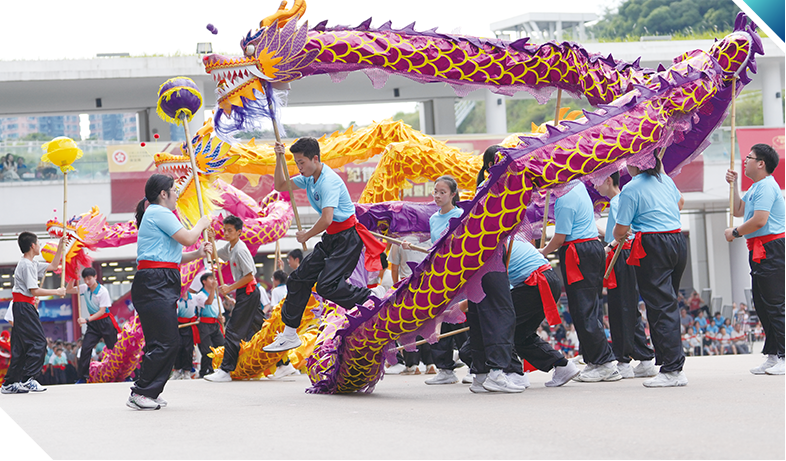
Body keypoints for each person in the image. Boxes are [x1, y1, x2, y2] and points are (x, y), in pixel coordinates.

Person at [264, 137, 385, 353]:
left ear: (315, 159)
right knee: (298, 279)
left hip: (347, 238)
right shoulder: (309, 178)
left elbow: (327, 218)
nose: (299, 167)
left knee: (326, 286)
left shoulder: (328, 181)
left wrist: (307, 235)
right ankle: (290, 335)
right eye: (296, 163)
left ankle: (372, 297)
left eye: (301, 162)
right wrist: (278, 158)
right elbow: (280, 185)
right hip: (331, 238)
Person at [127, 173, 212, 410]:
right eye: (173, 190)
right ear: (163, 194)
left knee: (165, 340)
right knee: (165, 341)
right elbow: (187, 238)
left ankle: (150, 391)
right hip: (154, 282)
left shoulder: (159, 214)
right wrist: (201, 224)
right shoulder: (159, 212)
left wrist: (197, 254)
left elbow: (173, 257)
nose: (176, 194)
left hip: (160, 279)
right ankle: (141, 392)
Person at [613, 151, 688, 387]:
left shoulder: (631, 188)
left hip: (653, 245)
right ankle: (668, 362)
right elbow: (680, 202)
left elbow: (620, 230)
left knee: (661, 307)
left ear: (634, 165)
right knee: (666, 305)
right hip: (677, 240)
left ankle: (673, 369)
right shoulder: (665, 180)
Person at [541, 180, 620, 383]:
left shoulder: (564, 199)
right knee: (589, 308)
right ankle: (594, 359)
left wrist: (542, 252)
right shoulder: (578, 185)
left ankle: (603, 363)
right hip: (590, 248)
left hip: (579, 251)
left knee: (583, 309)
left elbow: (560, 237)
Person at [726, 143, 784, 375]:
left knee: (775, 303)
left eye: (749, 157)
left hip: (771, 247)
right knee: (762, 303)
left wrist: (736, 232)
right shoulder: (755, 188)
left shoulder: (767, 186)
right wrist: (733, 186)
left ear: (761, 163)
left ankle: (784, 354)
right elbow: (738, 209)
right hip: (759, 248)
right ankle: (773, 354)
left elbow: (759, 220)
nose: (745, 160)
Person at [596, 171, 657, 379]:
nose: (596, 187)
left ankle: (622, 359)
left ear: (608, 180)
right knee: (628, 308)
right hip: (624, 254)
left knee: (620, 308)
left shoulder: (618, 201)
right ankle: (644, 357)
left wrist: (609, 246)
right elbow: (615, 230)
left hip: (621, 255)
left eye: (598, 182)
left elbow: (624, 232)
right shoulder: (619, 200)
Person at [507, 239, 581, 387]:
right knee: (521, 334)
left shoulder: (496, 241)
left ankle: (513, 372)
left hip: (534, 283)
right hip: (546, 280)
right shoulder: (510, 236)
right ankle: (562, 365)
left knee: (502, 326)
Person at [1, 232, 66, 394]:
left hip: (23, 307)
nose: (40, 245)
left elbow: (53, 266)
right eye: (38, 243)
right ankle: (28, 379)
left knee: (20, 347)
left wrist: (60, 247)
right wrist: (57, 291)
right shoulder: (27, 265)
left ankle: (9, 383)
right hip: (24, 307)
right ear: (32, 246)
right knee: (39, 342)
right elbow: (34, 290)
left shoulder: (30, 263)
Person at [205, 215, 261, 382]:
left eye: (230, 230)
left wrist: (229, 288)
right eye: (225, 230)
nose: (227, 233)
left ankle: (226, 370)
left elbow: (250, 276)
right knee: (261, 328)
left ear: (239, 232)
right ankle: (283, 363)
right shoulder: (230, 247)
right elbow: (216, 255)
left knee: (233, 330)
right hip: (246, 293)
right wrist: (211, 239)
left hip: (249, 292)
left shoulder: (241, 250)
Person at [66, 267, 119, 384]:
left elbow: (101, 311)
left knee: (114, 349)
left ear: (95, 277)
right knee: (85, 348)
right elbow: (68, 290)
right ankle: (82, 377)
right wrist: (73, 278)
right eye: (85, 279)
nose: (87, 281)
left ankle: (122, 374)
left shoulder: (102, 291)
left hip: (105, 322)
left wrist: (86, 319)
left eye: (89, 278)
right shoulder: (84, 288)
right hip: (93, 325)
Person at [193, 272, 224, 378]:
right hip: (205, 325)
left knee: (221, 346)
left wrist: (221, 318)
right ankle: (204, 372)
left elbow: (220, 313)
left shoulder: (217, 296)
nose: (213, 281)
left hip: (215, 325)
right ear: (204, 281)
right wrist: (214, 289)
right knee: (207, 350)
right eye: (211, 279)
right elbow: (209, 302)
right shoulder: (200, 295)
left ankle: (217, 369)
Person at [173, 293, 198, 380]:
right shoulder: (176, 298)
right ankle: (177, 370)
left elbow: (203, 306)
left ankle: (187, 371)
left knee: (188, 349)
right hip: (178, 325)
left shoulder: (194, 297)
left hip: (190, 324)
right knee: (178, 347)